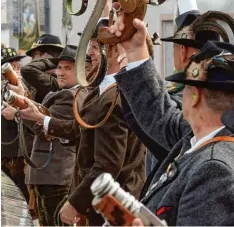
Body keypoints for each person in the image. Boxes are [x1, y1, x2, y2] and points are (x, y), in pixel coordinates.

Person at [18, 20, 146, 226]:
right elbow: (80, 130)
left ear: (114, 51)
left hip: (114, 204)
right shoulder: (101, 89)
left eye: (95, 47)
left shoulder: (114, 96)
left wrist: (77, 202)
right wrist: (41, 119)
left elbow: (108, 165)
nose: (89, 54)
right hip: (102, 201)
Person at [113, 18, 234, 225]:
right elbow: (158, 113)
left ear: (195, 95)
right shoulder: (197, 137)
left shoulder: (214, 169)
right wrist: (136, 50)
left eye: (185, 87)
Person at [2, 45, 79, 226]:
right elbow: (42, 118)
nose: (60, 72)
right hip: (49, 174)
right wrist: (22, 101)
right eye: (59, 67)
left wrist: (19, 114)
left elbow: (46, 130)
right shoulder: (62, 93)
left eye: (68, 68)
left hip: (56, 175)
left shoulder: (70, 95)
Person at [1, 46, 29, 202]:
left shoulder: (23, 85)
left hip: (18, 153)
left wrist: (16, 112)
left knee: (21, 195)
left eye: (14, 63)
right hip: (4, 152)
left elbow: (35, 113)